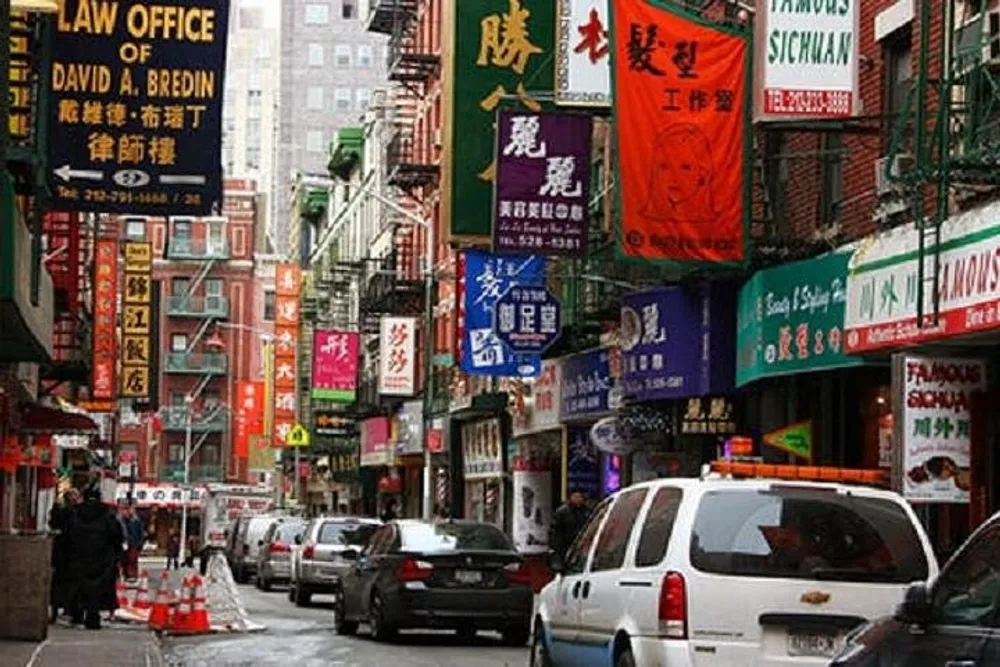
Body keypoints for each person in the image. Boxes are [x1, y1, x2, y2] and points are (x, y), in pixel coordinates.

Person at [65, 486, 124, 630]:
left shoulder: (75, 514)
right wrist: (116, 555)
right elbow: (117, 537)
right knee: (97, 589)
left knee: (78, 587)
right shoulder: (107, 515)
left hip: (78, 557)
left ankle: (77, 614)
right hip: (102, 559)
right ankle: (93, 617)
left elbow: (67, 536)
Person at [49, 488, 81, 623]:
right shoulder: (76, 514)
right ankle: (70, 612)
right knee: (70, 585)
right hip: (71, 555)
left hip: (61, 554)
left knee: (58, 584)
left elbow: (52, 523)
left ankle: (57, 612)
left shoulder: (62, 512)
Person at [549, 489, 591, 561]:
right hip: (565, 546)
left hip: (582, 546)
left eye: (579, 497)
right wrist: (556, 547)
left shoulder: (587, 512)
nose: (577, 499)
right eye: (575, 497)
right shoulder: (562, 512)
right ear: (571, 498)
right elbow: (555, 531)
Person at [120, 505, 145, 580]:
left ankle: (132, 575)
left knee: (132, 559)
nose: (129, 511)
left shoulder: (137, 521)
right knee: (125, 559)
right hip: (126, 543)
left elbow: (141, 533)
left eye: (131, 510)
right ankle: (126, 574)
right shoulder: (124, 521)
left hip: (134, 543)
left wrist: (140, 543)